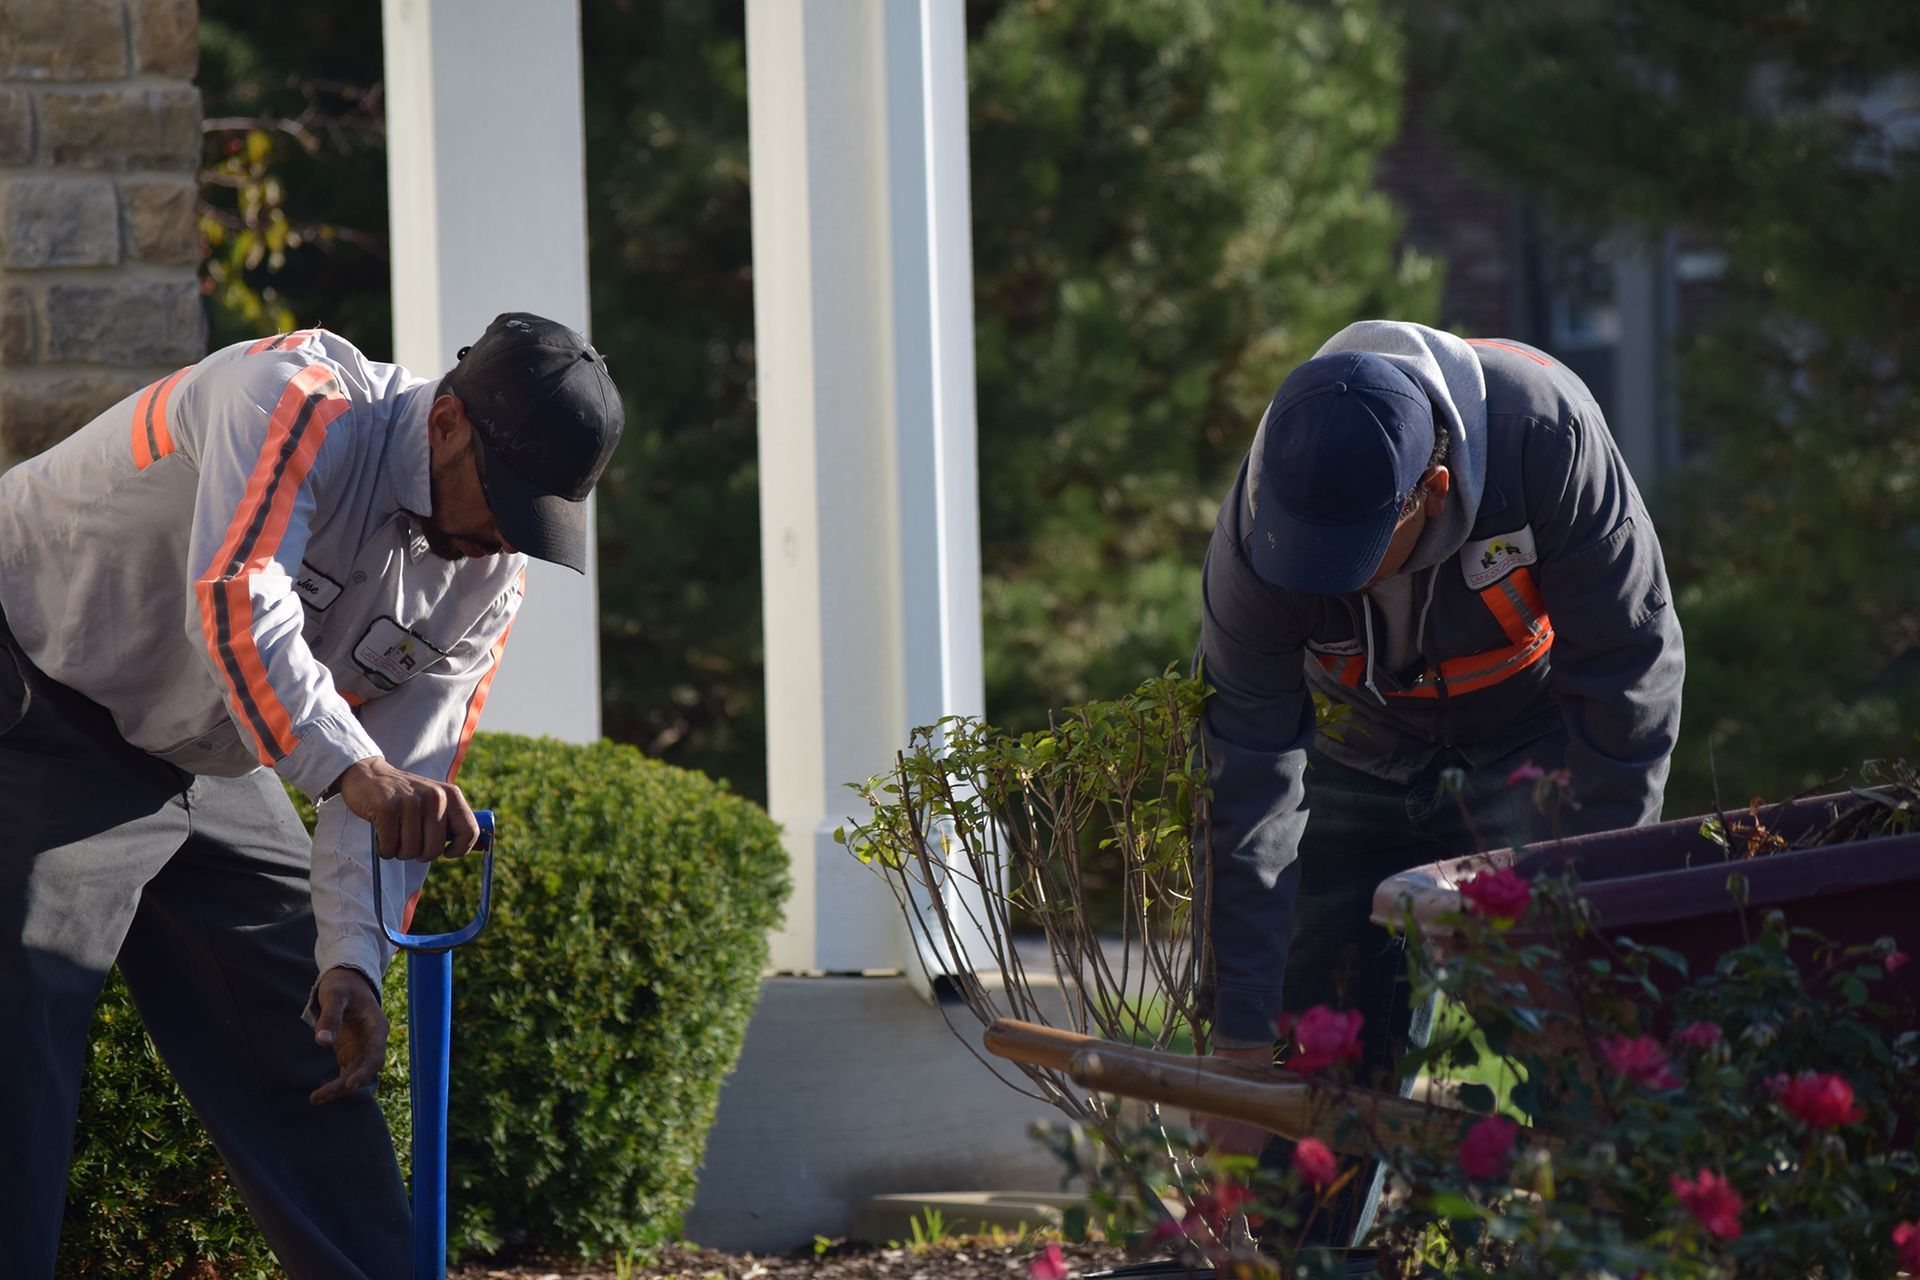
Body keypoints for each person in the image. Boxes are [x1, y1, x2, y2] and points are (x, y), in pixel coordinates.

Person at [0, 313, 622, 1277]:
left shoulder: (489, 572)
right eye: (501, 498)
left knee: (314, 1034)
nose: (505, 535)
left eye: (535, 517)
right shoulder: (295, 398)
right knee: (20, 1029)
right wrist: (354, 768)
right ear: (446, 422)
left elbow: (404, 776)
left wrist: (355, 962)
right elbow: (239, 602)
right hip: (39, 692)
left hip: (210, 751)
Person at [1195, 319, 1684, 1243]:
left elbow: (1628, 674)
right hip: (1358, 747)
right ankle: (1307, 1256)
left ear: (1435, 488)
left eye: (1349, 557)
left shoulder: (1547, 437)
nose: (1320, 582)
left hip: (1536, 744)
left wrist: (1603, 892)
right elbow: (1247, 779)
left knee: (1577, 1014)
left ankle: (1590, 1242)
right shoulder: (1264, 523)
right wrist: (1240, 1047)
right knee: (1320, 1025)